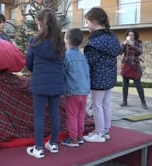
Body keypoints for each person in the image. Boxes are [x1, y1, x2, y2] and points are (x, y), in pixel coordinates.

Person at [25, 8, 65, 158]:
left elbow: (28, 63)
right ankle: (53, 144)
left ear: (40, 23)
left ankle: (38, 148)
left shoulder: (34, 41)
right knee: (55, 113)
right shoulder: (60, 42)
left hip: (40, 83)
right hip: (56, 83)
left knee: (39, 116)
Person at [82, 7, 121, 143]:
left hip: (98, 78)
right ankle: (105, 131)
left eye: (87, 22)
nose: (86, 25)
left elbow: (88, 63)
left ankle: (99, 133)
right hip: (109, 78)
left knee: (96, 105)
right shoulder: (112, 37)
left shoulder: (94, 42)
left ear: (93, 22)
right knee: (106, 104)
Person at [60, 28, 90, 147]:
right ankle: (79, 136)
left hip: (73, 91)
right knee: (81, 114)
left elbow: (62, 72)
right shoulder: (83, 57)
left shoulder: (66, 56)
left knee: (72, 114)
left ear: (67, 40)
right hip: (84, 91)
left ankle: (73, 139)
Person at [119, 29, 147, 109]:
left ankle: (143, 102)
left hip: (135, 65)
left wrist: (132, 45)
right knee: (125, 84)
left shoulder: (138, 42)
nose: (131, 36)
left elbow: (140, 52)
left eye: (132, 35)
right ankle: (124, 101)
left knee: (138, 85)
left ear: (135, 36)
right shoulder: (125, 43)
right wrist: (124, 44)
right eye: (129, 35)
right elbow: (119, 52)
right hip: (126, 65)